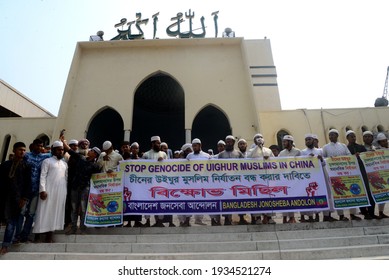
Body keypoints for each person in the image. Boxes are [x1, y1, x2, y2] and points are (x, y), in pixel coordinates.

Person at [62, 137, 102, 234]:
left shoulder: (95, 166)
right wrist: (63, 141)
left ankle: (83, 228)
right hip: (75, 187)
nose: (90, 151)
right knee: (74, 208)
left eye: (92, 150)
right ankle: (73, 227)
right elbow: (70, 151)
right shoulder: (81, 158)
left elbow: (100, 177)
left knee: (83, 209)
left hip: (85, 188)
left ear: (95, 154)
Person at [322, 129, 361, 222]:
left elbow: (349, 156)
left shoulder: (343, 146)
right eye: (330, 135)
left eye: (333, 135)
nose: (331, 137)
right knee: (337, 194)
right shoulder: (326, 147)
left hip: (344, 173)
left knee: (349, 193)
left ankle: (352, 214)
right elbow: (323, 159)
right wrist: (329, 159)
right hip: (333, 174)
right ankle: (341, 215)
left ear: (337, 136)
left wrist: (354, 156)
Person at [32, 141, 68, 243]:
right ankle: (37, 236)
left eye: (62, 149)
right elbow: (42, 176)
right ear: (53, 150)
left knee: (55, 213)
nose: (61, 151)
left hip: (60, 192)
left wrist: (64, 192)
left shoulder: (64, 164)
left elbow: (65, 178)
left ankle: (49, 236)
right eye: (58, 149)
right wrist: (42, 190)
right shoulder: (47, 161)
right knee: (43, 212)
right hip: (48, 191)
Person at [0, 142, 31, 255]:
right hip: (5, 197)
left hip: (18, 199)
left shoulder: (27, 166)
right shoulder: (5, 165)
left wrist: (24, 198)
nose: (22, 152)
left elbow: (28, 184)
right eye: (20, 150)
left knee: (12, 221)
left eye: (24, 150)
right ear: (14, 150)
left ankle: (6, 245)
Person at [17, 139, 51, 243]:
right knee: (21, 212)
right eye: (38, 146)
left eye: (41, 146)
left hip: (36, 190)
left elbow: (57, 153)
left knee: (31, 214)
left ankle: (25, 236)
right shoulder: (27, 156)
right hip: (25, 190)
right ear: (33, 146)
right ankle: (17, 235)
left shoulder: (45, 156)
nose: (40, 148)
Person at [346, 130, 377, 220]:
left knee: (369, 192)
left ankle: (371, 212)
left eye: (354, 136)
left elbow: (367, 157)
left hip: (364, 172)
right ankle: (364, 212)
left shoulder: (361, 147)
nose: (353, 138)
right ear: (347, 138)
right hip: (354, 174)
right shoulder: (346, 149)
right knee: (359, 193)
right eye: (351, 136)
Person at [216, 135, 246, 225]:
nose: (228, 143)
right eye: (227, 142)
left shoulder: (238, 154)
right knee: (226, 199)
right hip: (226, 181)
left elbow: (244, 167)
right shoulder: (221, 155)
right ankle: (227, 219)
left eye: (230, 142)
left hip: (237, 180)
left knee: (240, 199)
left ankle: (241, 217)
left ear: (233, 142)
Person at [247, 133, 276, 225]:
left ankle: (269, 217)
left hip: (267, 178)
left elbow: (275, 162)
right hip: (256, 179)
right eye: (257, 138)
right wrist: (257, 147)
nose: (259, 139)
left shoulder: (268, 150)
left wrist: (269, 160)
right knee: (258, 198)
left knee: (268, 198)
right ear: (254, 141)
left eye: (260, 137)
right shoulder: (251, 150)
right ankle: (258, 217)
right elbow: (247, 160)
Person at [142, 136, 169, 227]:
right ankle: (148, 221)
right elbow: (142, 168)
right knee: (148, 202)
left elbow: (169, 168)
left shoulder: (163, 154)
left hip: (160, 182)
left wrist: (163, 162)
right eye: (157, 143)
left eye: (159, 143)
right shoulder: (146, 155)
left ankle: (159, 221)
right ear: (153, 143)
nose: (159, 144)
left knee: (160, 201)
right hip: (149, 183)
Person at [184, 138, 210, 226]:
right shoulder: (189, 156)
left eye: (196, 146)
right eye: (193, 146)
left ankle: (199, 219)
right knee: (190, 200)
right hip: (192, 182)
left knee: (201, 200)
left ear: (200, 145)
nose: (194, 147)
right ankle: (187, 219)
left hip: (202, 182)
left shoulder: (207, 156)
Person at [300, 134, 324, 223]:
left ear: (313, 141)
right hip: (308, 178)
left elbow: (324, 164)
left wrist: (321, 159)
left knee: (317, 194)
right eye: (306, 140)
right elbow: (300, 164)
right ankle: (310, 216)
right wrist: (307, 158)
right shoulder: (303, 152)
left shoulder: (319, 151)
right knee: (309, 196)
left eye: (309, 139)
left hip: (318, 177)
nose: (308, 141)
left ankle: (317, 214)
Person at [278, 135, 301, 223]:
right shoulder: (282, 153)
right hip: (284, 179)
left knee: (292, 198)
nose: (283, 143)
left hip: (294, 178)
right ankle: (284, 217)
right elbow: (278, 165)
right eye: (283, 141)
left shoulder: (297, 152)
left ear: (291, 142)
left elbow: (303, 163)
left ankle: (292, 217)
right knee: (284, 198)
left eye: (285, 141)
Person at [375, 133, 389, 218]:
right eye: (382, 141)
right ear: (379, 143)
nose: (384, 142)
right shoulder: (376, 151)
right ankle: (381, 212)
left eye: (385, 141)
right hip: (382, 175)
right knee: (382, 193)